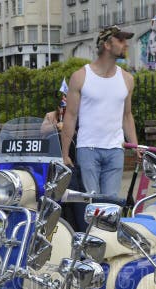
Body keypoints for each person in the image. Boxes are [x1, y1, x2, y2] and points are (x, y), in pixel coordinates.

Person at [62, 25, 139, 198]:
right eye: (120, 40)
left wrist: (135, 147)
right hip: (88, 149)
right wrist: (65, 153)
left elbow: (127, 115)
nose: (125, 44)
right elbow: (71, 115)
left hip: (115, 150)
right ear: (107, 45)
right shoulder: (80, 76)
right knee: (92, 204)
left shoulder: (127, 79)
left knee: (111, 206)